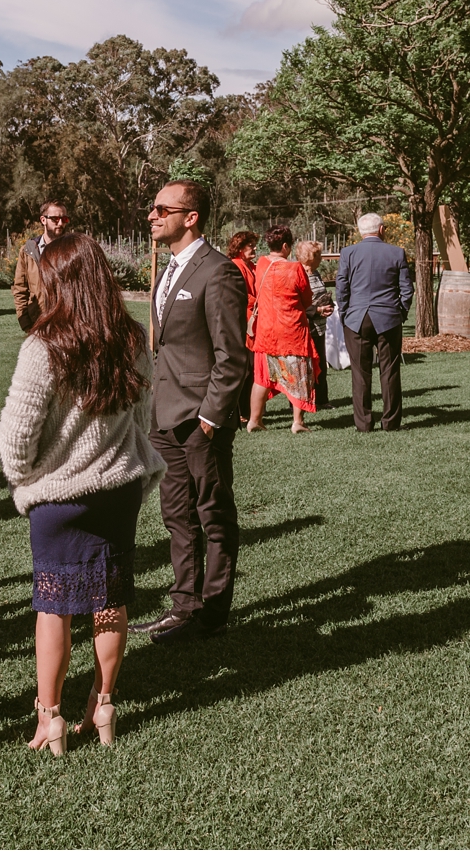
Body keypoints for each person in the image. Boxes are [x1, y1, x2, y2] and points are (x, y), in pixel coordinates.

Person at [0, 233, 166, 756]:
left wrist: (24, 479)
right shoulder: (133, 340)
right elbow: (143, 418)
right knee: (109, 599)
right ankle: (105, 702)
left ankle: (50, 717)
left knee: (55, 607)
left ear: (58, 282)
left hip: (57, 499)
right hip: (118, 490)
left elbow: (16, 434)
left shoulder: (42, 346)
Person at [133, 179, 250, 643]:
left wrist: (210, 416)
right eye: (152, 208)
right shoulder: (168, 269)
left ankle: (213, 613)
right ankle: (184, 606)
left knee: (213, 514)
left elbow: (232, 354)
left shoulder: (218, 271)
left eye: (162, 209)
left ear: (191, 216)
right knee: (176, 514)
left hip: (201, 419)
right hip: (165, 417)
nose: (152, 215)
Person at [335, 212, 414, 433]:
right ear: (381, 229)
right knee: (390, 370)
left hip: (356, 318)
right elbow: (407, 289)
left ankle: (364, 423)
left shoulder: (348, 252)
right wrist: (401, 313)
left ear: (361, 231)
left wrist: (344, 312)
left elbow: (341, 287)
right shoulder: (396, 252)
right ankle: (390, 422)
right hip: (388, 318)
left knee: (360, 373)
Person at [247, 227, 319, 433]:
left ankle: (255, 420)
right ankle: (297, 422)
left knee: (263, 378)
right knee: (299, 375)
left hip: (267, 331)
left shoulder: (260, 264)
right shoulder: (295, 268)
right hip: (292, 330)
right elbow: (306, 299)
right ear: (285, 246)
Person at [13, 199, 72, 332]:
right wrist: (26, 323)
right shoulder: (28, 250)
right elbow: (20, 289)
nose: (61, 223)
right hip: (37, 323)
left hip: (67, 325)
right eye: (55, 219)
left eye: (64, 219)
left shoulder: (72, 250)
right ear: (43, 220)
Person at [296, 240, 335, 409]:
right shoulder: (299, 274)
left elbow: (320, 294)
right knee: (305, 367)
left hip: (319, 327)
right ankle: (302, 402)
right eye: (318, 254)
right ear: (310, 257)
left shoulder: (316, 273)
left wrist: (329, 305)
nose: (321, 258)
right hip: (305, 327)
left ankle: (321, 399)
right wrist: (317, 310)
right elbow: (297, 304)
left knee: (320, 365)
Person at [225, 230, 259, 424]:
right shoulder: (236, 266)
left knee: (251, 369)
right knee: (244, 368)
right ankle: (240, 411)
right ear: (239, 247)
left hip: (254, 319)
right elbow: (240, 294)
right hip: (243, 320)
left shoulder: (250, 265)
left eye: (254, 245)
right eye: (250, 245)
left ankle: (246, 410)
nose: (254, 248)